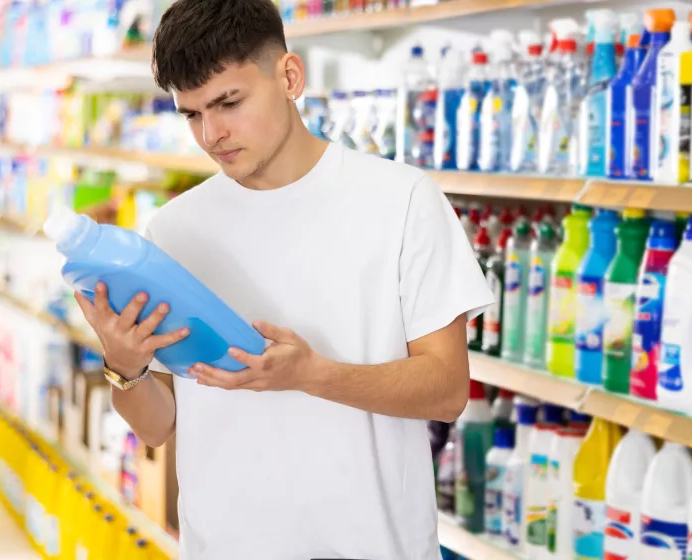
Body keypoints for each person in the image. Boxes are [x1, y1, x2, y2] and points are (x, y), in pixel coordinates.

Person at [73, 0, 493, 558]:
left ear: (289, 76)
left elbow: (446, 391)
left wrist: (313, 374)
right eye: (192, 114)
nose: (212, 134)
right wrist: (124, 367)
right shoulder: (174, 229)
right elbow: (159, 425)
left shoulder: (401, 200)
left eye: (229, 102)